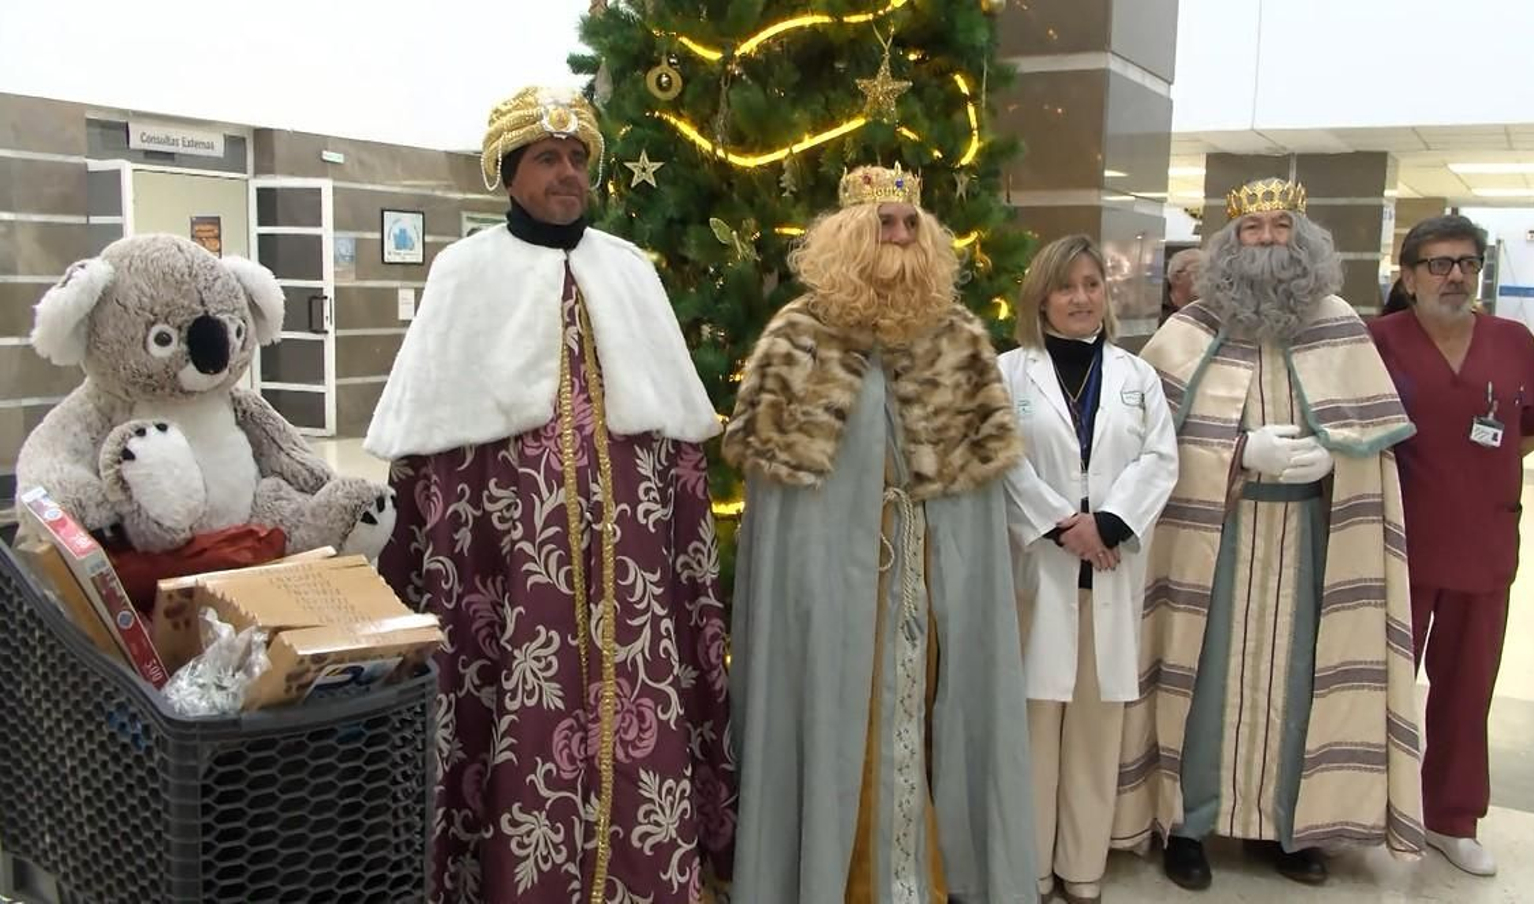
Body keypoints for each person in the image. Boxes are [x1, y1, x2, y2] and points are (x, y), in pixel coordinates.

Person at [365, 86, 736, 903]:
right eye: (546, 158)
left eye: (577, 159)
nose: (567, 173)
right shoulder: (464, 275)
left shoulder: (630, 273)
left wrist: (683, 540)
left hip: (632, 581)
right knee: (510, 727)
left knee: (638, 738)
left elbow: (676, 442)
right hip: (513, 581)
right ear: (508, 174)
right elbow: (427, 456)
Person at [722, 163, 1035, 904]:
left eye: (908, 224)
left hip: (927, 588)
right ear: (845, 239)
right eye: (881, 224)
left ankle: (920, 883)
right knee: (830, 722)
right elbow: (780, 517)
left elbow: (979, 507)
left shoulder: (958, 342)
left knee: (933, 722)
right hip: (827, 592)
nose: (897, 236)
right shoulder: (797, 339)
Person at [1133, 178, 1425, 891]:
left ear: (1305, 238)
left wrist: (1341, 459)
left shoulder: (1337, 323)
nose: (1266, 240)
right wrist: (1235, 454)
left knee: (1301, 684)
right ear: (1229, 246)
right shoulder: (1191, 327)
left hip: (1309, 536)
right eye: (1253, 229)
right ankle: (1189, 825)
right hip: (1216, 538)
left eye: (1279, 227)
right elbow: (1145, 442)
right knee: (1203, 679)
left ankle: (1293, 828)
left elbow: (1372, 444)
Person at [1370, 214, 1534, 877]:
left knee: (1465, 689)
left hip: (1482, 547)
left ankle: (1452, 818)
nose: (1454, 276)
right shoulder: (1376, 341)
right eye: (1438, 263)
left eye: (1467, 263)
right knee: (1373, 686)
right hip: (1391, 547)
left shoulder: (1512, 343)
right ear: (1408, 275)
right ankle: (1355, 808)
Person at [999, 235, 1179, 904]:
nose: (1081, 298)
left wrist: (1107, 525)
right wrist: (1060, 525)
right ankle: (1030, 868)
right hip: (1039, 576)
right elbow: (1003, 462)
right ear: (1041, 296)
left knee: (1097, 733)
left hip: (1108, 568)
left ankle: (1081, 869)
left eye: (1092, 284)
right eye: (1066, 286)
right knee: (1035, 729)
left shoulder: (1137, 377)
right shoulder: (1007, 373)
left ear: (1107, 294)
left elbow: (1159, 461)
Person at [1161, 248, 1204, 323]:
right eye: (1198, 272)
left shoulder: (1210, 310)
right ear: (1177, 277)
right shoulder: (1155, 309)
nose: (1206, 279)